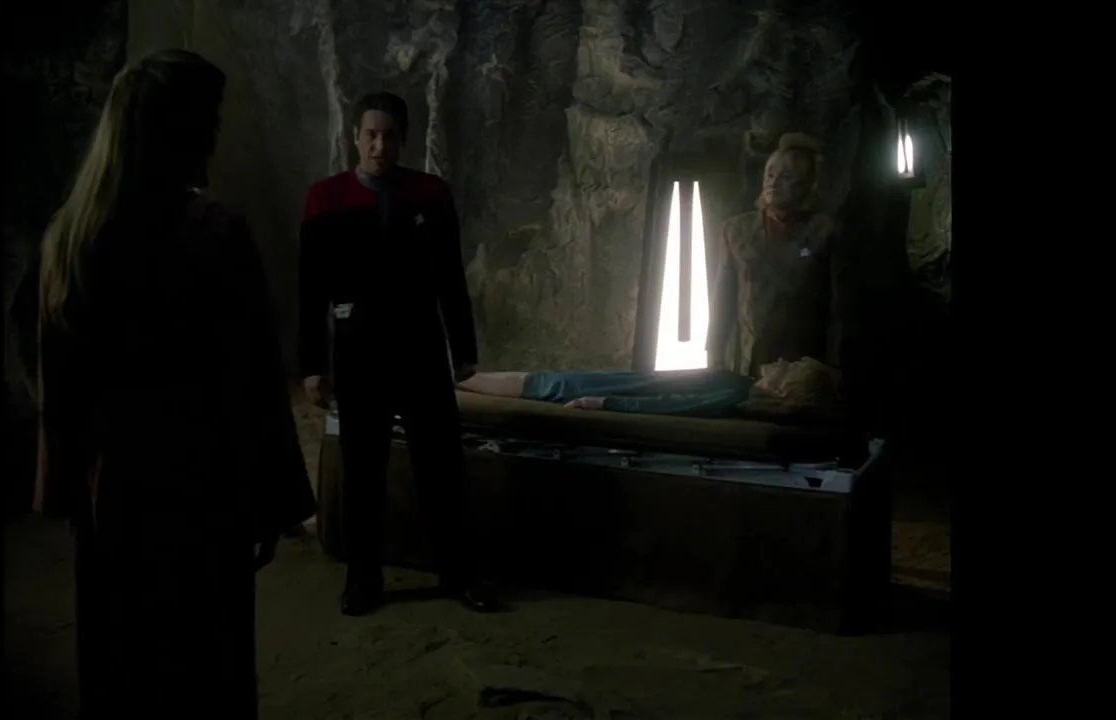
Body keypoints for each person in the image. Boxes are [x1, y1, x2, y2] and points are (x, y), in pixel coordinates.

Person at [35, 49, 315, 719]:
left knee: (122, 662)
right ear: (180, 131)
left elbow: (55, 385)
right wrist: (272, 502)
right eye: (209, 121)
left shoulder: (72, 235)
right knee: (206, 668)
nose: (215, 136)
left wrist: (66, 486)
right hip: (202, 494)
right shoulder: (214, 236)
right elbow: (253, 384)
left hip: (113, 498)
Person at [298, 91, 496, 616]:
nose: (379, 145)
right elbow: (310, 289)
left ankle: (458, 573)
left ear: (402, 139)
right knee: (363, 470)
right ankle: (363, 579)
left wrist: (464, 351)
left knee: (441, 465)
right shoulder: (325, 199)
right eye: (370, 135)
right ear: (355, 137)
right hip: (360, 353)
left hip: (421, 348)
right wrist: (312, 366)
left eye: (388, 136)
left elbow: (451, 277)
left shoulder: (430, 194)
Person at [707, 133, 844, 378]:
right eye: (770, 175)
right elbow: (722, 298)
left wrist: (835, 364)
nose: (774, 182)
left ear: (805, 184)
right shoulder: (736, 230)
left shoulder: (823, 231)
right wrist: (715, 354)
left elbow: (837, 305)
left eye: (786, 177)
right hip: (750, 358)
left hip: (803, 361)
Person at [458, 357, 843, 419]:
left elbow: (675, 405)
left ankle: (454, 378)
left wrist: (606, 403)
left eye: (789, 367)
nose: (781, 360)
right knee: (543, 380)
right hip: (634, 383)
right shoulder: (741, 389)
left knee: (546, 384)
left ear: (784, 391)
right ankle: (457, 376)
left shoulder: (735, 395)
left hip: (631, 390)